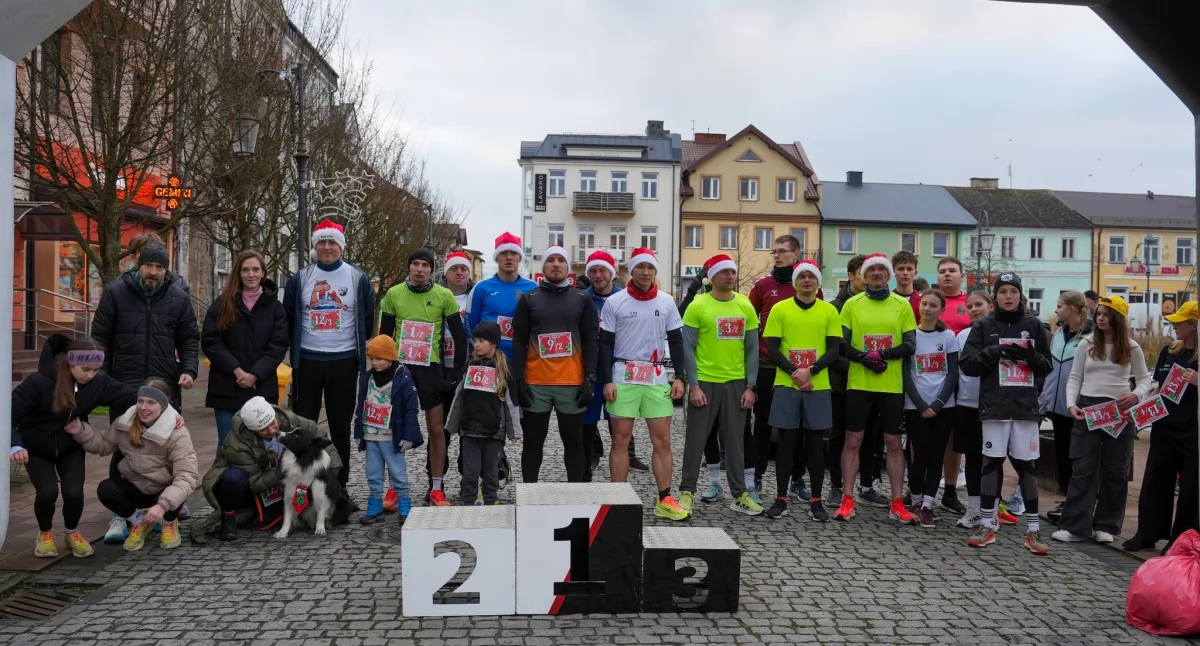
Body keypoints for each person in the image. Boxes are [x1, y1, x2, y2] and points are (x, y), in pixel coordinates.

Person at [91, 240, 199, 540]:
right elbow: (100, 337)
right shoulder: (115, 292)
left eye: (159, 267)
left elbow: (189, 338)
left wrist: (189, 370)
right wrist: (101, 378)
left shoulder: (178, 298)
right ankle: (120, 515)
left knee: (167, 446)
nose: (153, 272)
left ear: (166, 270)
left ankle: (166, 507)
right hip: (123, 385)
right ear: (138, 265)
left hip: (164, 385)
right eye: (148, 265)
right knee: (122, 447)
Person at [10, 336, 136, 558]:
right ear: (70, 362)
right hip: (36, 448)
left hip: (70, 446)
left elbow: (131, 397)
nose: (90, 375)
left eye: (95, 370)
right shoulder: (38, 382)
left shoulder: (98, 383)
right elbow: (8, 414)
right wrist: (15, 445)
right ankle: (45, 535)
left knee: (74, 493)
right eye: (85, 369)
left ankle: (71, 532)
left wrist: (167, 411)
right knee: (47, 492)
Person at [960, 273, 1053, 555]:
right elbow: (967, 365)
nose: (1008, 297)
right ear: (996, 297)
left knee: (1027, 468)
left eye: (1013, 291)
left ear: (1020, 295)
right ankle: (987, 524)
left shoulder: (1034, 325)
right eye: (1003, 292)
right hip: (995, 408)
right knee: (991, 464)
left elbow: (1047, 366)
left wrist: (1030, 356)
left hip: (1025, 409)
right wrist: (993, 352)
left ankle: (1034, 530)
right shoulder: (983, 326)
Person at [284, 218, 376, 497]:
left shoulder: (357, 278)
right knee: (303, 426)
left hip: (344, 361)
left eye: (332, 242)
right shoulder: (300, 278)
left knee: (340, 427)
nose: (326, 247)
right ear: (315, 246)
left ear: (341, 247)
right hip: (308, 361)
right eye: (322, 242)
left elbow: (367, 318)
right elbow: (289, 317)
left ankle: (339, 486)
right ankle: (303, 485)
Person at [1053, 295, 1153, 544]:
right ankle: (1075, 526)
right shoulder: (1086, 343)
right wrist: (1071, 403)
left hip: (1119, 411)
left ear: (1118, 318)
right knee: (1083, 468)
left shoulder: (1131, 347)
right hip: (1088, 408)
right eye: (1098, 314)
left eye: (1106, 315)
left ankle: (1106, 525)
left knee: (1115, 470)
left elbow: (1145, 379)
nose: (1100, 318)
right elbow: (1075, 377)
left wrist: (1136, 395)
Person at [598, 248, 689, 519]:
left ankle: (665, 499)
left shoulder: (667, 301)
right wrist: (607, 381)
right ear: (632, 270)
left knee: (662, 440)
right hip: (623, 376)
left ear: (655, 271)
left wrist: (680, 376)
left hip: (656, 377)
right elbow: (605, 344)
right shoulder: (615, 302)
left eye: (650, 268)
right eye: (640, 267)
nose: (645, 272)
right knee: (620, 440)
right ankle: (618, 502)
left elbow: (676, 340)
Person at [379, 248, 467, 506]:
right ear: (409, 267)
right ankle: (394, 488)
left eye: (425, 265)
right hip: (401, 369)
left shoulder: (443, 295)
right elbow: (385, 338)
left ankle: (437, 488)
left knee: (436, 430)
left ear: (431, 269)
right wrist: (381, 370)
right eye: (415, 264)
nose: (419, 269)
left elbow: (460, 338)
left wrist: (454, 374)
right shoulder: (394, 293)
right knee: (395, 428)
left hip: (431, 368)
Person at [66, 378, 198, 551]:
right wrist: (80, 431)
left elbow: (187, 476)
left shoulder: (177, 433)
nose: (143, 407)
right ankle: (139, 522)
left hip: (162, 489)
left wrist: (162, 506)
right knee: (106, 489)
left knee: (178, 491)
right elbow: (103, 445)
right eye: (140, 401)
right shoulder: (124, 423)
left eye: (151, 402)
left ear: (163, 406)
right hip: (136, 486)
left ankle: (168, 523)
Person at [834, 254, 917, 524]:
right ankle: (847, 499)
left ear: (889, 274)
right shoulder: (852, 304)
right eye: (872, 270)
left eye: (882, 269)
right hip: (859, 383)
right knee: (853, 441)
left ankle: (897, 502)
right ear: (864, 275)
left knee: (893, 443)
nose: (877, 273)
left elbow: (910, 344)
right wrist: (863, 358)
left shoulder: (902, 305)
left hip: (890, 385)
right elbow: (841, 344)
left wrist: (883, 354)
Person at [678, 254, 763, 516]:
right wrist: (693, 385)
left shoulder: (745, 305)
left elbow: (752, 349)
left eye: (732, 272)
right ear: (712, 276)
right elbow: (688, 348)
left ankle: (740, 495)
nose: (730, 276)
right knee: (695, 441)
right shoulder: (698, 306)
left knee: (735, 442)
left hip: (736, 384)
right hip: (705, 383)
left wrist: (751, 386)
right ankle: (687, 492)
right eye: (724, 271)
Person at [191, 398, 340, 543]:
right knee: (233, 478)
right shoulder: (238, 443)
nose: (272, 430)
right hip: (257, 484)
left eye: (273, 424)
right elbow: (255, 482)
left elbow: (322, 439)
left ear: (275, 416)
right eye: (263, 429)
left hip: (287, 479)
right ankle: (229, 518)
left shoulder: (292, 421)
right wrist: (283, 472)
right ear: (253, 430)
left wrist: (325, 471)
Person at [512, 245, 598, 483]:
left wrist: (590, 378)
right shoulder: (529, 299)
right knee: (532, 442)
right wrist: (519, 379)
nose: (556, 264)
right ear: (544, 266)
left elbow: (591, 341)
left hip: (571, 383)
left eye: (561, 260)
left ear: (568, 267)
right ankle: (529, 493)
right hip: (536, 383)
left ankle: (574, 493)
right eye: (551, 260)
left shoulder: (582, 299)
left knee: (574, 441)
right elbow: (518, 340)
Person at [761, 260, 840, 521]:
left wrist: (811, 371)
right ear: (795, 281)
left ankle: (816, 501)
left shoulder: (829, 311)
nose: (807, 280)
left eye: (811, 276)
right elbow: (772, 349)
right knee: (786, 445)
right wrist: (796, 372)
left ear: (818, 282)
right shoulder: (780, 309)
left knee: (816, 446)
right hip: (787, 384)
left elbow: (834, 349)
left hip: (818, 385)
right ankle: (781, 498)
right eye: (802, 276)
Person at [1123, 301, 1199, 553]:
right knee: (1155, 482)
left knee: (1189, 490)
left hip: (1193, 433)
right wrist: (1140, 411)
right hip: (1164, 428)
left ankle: (1180, 540)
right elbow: (1159, 389)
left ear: (1194, 324)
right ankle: (1147, 534)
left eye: (1179, 322)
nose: (1174, 326)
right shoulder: (1170, 350)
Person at [201, 250, 288, 452]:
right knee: (228, 443)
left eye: (255, 269)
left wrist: (255, 374)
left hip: (262, 387)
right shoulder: (223, 303)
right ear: (238, 273)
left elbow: (278, 345)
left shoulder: (275, 307)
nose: (251, 274)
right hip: (227, 385)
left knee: (265, 445)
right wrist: (237, 370)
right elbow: (211, 341)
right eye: (245, 270)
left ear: (263, 272)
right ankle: (226, 475)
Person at [749, 235, 810, 503]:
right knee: (763, 424)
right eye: (774, 252)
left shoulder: (808, 285)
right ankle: (756, 477)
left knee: (797, 426)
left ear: (796, 254)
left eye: (782, 251)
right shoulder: (763, 286)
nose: (777, 256)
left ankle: (797, 478)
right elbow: (749, 322)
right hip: (767, 365)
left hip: (798, 369)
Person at [582, 250, 646, 479]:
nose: (598, 275)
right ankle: (588, 461)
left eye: (602, 270)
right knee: (587, 422)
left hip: (618, 370)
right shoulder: (582, 298)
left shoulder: (626, 297)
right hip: (589, 371)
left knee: (619, 423)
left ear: (612, 272)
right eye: (593, 271)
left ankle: (627, 457)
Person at [446, 321, 523, 505]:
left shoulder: (504, 369)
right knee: (470, 473)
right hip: (469, 430)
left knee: (491, 473)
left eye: (481, 341)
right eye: (475, 340)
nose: (476, 344)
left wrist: (514, 431)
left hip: (494, 432)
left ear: (493, 343)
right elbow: (459, 397)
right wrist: (452, 425)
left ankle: (491, 502)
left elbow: (511, 402)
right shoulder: (469, 366)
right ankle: (468, 503)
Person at [903, 290, 960, 528]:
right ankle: (915, 500)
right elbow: (905, 373)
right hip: (915, 406)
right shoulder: (910, 336)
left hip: (943, 407)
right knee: (919, 456)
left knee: (937, 457)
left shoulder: (948, 337)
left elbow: (953, 372)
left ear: (941, 310)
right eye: (924, 304)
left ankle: (927, 505)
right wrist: (920, 404)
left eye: (933, 305)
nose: (927, 308)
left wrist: (938, 403)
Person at [1037, 291, 1092, 523]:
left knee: (1077, 457)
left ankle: (1078, 502)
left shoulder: (1091, 336)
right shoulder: (1059, 333)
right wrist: (1044, 401)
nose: (1056, 310)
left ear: (1071, 309)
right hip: (1058, 407)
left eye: (1059, 306)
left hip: (1078, 408)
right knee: (1062, 455)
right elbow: (1052, 371)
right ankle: (1067, 499)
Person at [355, 335, 422, 524]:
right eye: (371, 359)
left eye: (379, 359)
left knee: (398, 473)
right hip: (371, 434)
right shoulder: (367, 378)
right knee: (373, 473)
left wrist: (408, 436)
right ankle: (375, 505)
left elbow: (411, 409)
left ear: (390, 357)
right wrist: (359, 431)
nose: (374, 363)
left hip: (392, 437)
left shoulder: (403, 379)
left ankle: (404, 504)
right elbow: (361, 405)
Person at [428, 251, 476, 505]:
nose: (459, 273)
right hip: (439, 369)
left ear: (469, 273)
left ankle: (470, 480)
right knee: (439, 430)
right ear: (445, 273)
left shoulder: (475, 297)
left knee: (470, 430)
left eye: (463, 269)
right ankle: (435, 482)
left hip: (470, 371)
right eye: (454, 269)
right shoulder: (434, 295)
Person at [934, 257, 972, 516]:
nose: (947, 275)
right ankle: (918, 487)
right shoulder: (928, 302)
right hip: (929, 379)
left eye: (952, 271)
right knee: (921, 437)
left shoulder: (969, 304)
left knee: (952, 439)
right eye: (942, 271)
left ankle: (949, 491)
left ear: (962, 276)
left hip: (962, 380)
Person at [953, 290, 993, 528]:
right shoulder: (962, 336)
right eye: (970, 306)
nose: (974, 309)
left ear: (990, 306)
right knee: (972, 458)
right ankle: (975, 508)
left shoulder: (998, 332)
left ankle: (991, 509)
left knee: (993, 459)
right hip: (966, 403)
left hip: (992, 404)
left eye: (979, 304)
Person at [467, 232, 539, 362]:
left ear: (520, 257)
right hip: (490, 362)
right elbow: (470, 324)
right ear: (497, 257)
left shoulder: (533, 288)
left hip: (523, 361)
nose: (509, 257)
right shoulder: (481, 288)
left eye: (513, 253)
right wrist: (482, 353)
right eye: (504, 253)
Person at [890, 251, 923, 321]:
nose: (905, 273)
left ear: (915, 273)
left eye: (909, 269)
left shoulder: (923, 300)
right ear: (894, 272)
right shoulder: (887, 299)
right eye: (901, 269)